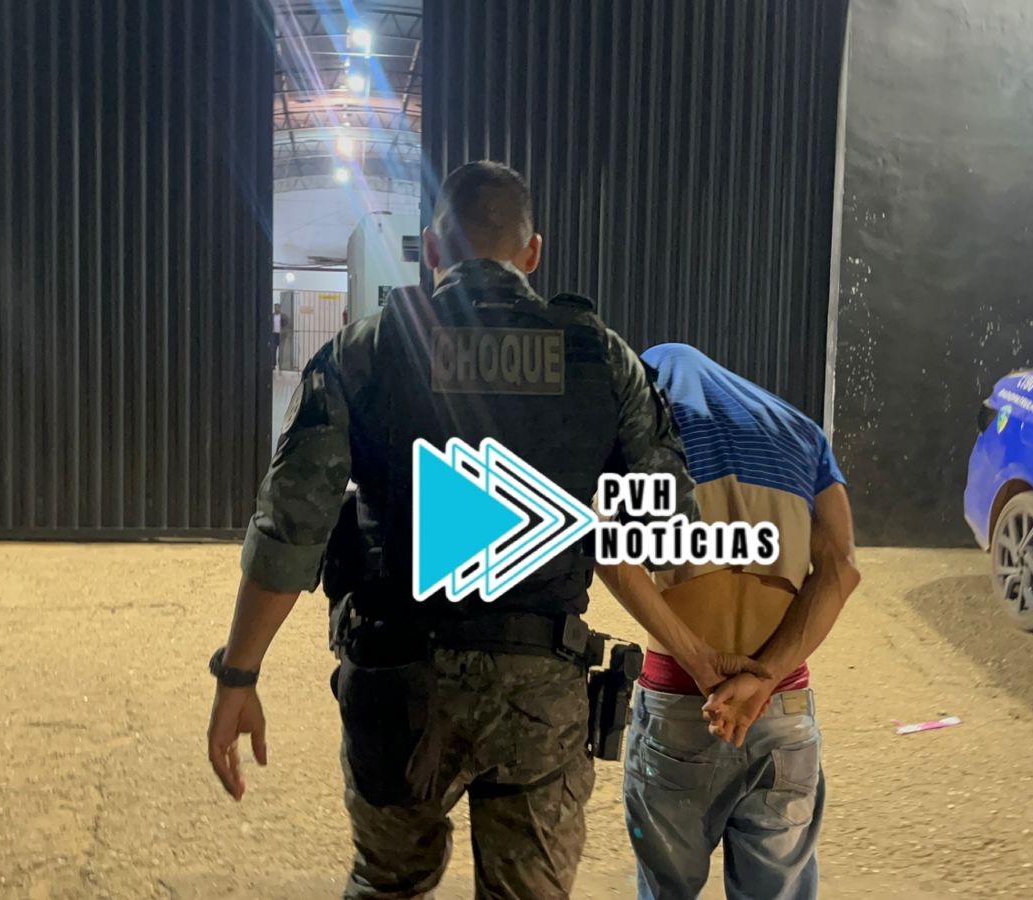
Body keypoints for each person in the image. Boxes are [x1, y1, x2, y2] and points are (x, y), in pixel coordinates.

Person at [206, 162, 758, 898]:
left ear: (432, 250)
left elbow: (290, 528)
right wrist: (716, 659)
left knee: (387, 883)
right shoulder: (602, 358)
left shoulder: (365, 350)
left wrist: (239, 675)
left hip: (397, 686)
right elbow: (667, 531)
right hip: (541, 695)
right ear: (533, 253)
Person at [624, 343, 861, 900]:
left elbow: (612, 558)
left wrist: (702, 664)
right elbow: (842, 568)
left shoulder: (643, 432)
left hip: (681, 705)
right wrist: (764, 679)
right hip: (781, 711)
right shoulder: (801, 434)